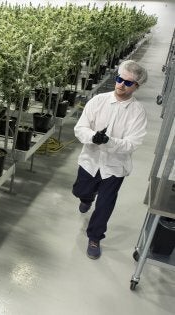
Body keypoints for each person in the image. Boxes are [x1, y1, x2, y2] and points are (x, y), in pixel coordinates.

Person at [72, 59, 148, 260]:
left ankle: (95, 237)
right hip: (90, 161)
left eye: (128, 82)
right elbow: (80, 128)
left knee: (105, 205)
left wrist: (109, 141)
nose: (121, 84)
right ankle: (87, 198)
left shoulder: (137, 112)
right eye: (119, 79)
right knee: (81, 191)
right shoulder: (98, 101)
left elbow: (133, 143)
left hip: (114, 167)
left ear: (136, 86)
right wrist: (93, 137)